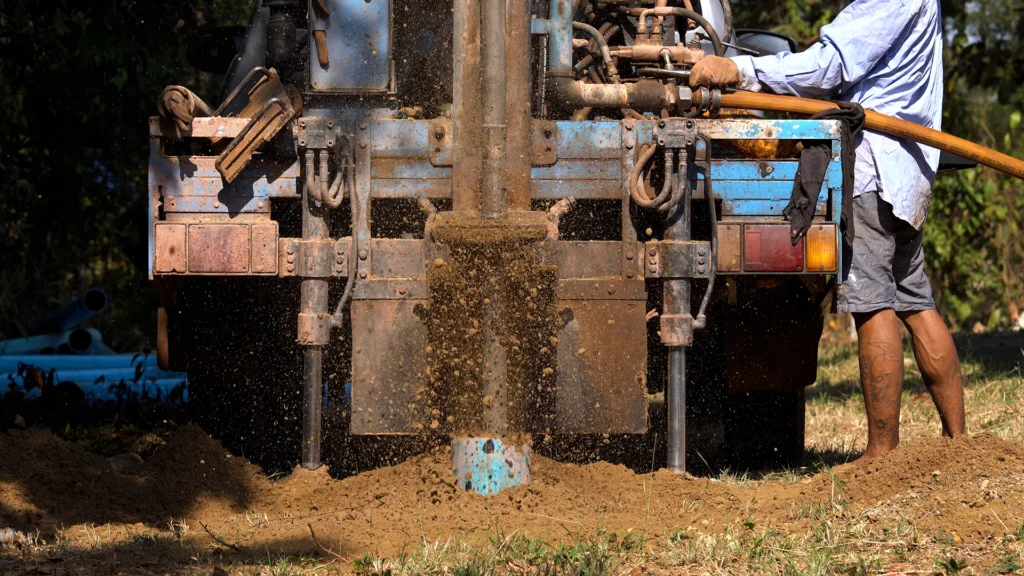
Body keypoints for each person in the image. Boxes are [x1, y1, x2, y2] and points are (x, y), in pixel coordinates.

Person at [689, 0, 966, 462]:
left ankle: (882, 452)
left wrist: (738, 70)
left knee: (872, 304)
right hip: (907, 170)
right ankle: (960, 444)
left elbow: (828, 67)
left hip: (876, 168)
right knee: (915, 302)